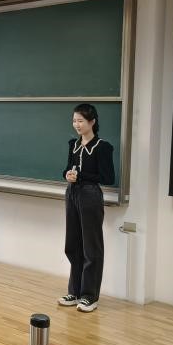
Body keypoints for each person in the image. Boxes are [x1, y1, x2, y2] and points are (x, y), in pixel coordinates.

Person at [58, 103, 115, 313]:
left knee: (92, 247)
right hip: (72, 193)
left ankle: (90, 296)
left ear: (92, 122)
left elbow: (108, 177)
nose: (76, 125)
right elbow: (67, 168)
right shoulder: (73, 144)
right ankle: (74, 291)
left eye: (80, 121)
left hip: (90, 196)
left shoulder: (102, 147)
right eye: (74, 120)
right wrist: (67, 175)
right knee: (72, 244)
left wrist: (81, 176)